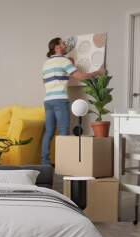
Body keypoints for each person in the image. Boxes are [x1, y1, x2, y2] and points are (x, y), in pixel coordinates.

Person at [41, 37, 105, 165]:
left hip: (48, 101)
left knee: (49, 132)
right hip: (60, 100)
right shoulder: (64, 61)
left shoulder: (46, 63)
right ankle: (63, 163)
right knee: (64, 131)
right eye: (63, 43)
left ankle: (45, 162)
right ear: (57, 47)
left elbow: (46, 81)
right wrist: (98, 72)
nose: (66, 45)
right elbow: (81, 76)